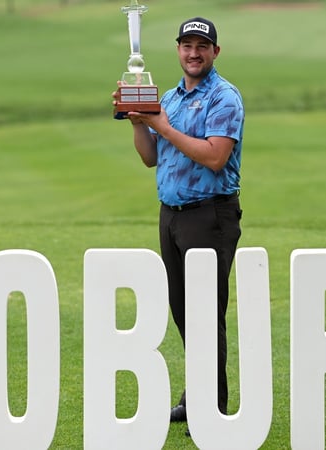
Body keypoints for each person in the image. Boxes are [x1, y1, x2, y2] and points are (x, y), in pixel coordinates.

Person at [112, 16, 245, 431]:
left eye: (201, 47)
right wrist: (140, 124)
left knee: (207, 313)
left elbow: (214, 156)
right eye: (186, 45)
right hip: (171, 216)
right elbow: (150, 156)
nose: (193, 53)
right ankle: (195, 397)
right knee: (184, 312)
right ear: (178, 50)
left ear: (215, 53)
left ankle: (214, 409)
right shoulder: (167, 97)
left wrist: (161, 125)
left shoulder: (224, 97)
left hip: (210, 215)